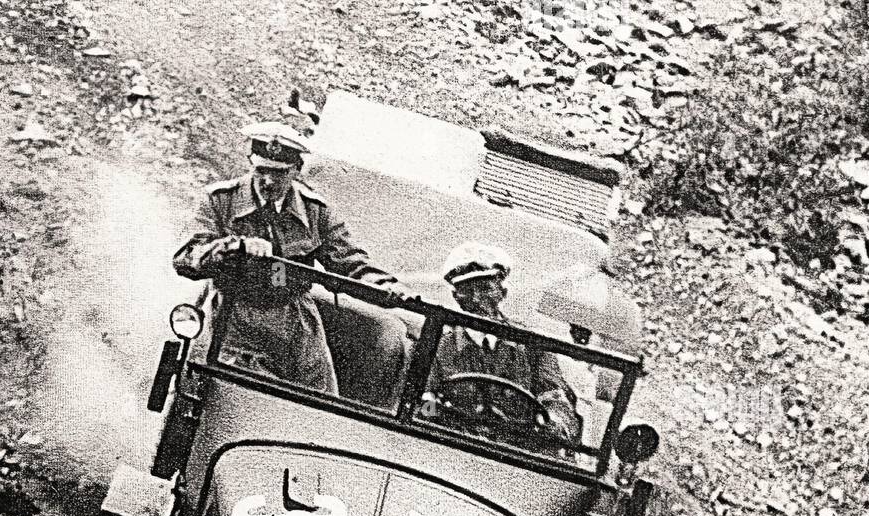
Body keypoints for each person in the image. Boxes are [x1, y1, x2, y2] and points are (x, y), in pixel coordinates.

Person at [173, 121, 406, 395]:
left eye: (279, 173)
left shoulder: (315, 211)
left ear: (296, 170)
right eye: (261, 170)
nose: (268, 181)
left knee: (321, 401)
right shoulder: (220, 200)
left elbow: (349, 262)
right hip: (233, 318)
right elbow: (187, 257)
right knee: (226, 397)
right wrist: (235, 246)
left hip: (295, 320)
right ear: (250, 162)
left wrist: (387, 287)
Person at [425, 242, 582, 444]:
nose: (476, 299)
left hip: (517, 451)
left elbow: (555, 398)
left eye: (485, 289)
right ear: (456, 297)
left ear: (502, 292)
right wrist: (431, 412)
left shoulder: (531, 345)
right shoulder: (439, 346)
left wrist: (552, 422)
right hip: (453, 443)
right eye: (466, 291)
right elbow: (425, 395)